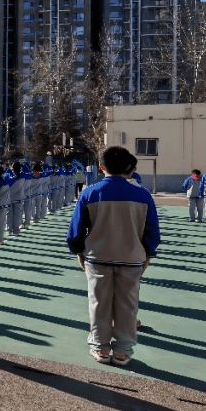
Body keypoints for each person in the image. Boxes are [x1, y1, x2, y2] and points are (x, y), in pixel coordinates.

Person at [67, 146, 160, 367]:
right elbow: (152, 230)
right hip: (132, 257)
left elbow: (76, 230)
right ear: (128, 167)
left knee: (99, 302)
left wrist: (78, 251)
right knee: (128, 304)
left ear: (101, 167)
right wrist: (147, 254)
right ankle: (122, 351)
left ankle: (100, 347)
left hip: (98, 256)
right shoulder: (143, 194)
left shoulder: (89, 192)